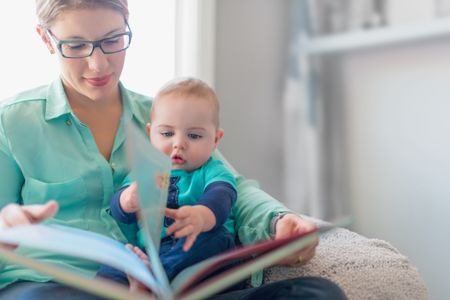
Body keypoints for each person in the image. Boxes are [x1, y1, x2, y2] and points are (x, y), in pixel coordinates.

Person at [0, 1, 346, 299]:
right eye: (76, 46)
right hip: (58, 285)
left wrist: (279, 221)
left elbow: (233, 188)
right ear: (46, 39)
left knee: (317, 294)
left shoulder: (167, 118)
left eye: (113, 40)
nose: (99, 64)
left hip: (172, 281)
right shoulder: (12, 123)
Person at [97, 77, 238, 283]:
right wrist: (127, 200)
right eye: (167, 133)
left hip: (200, 244)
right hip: (154, 251)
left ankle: (150, 280)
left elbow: (222, 197)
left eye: (194, 136)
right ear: (150, 134)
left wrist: (201, 216)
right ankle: (144, 280)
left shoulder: (213, 171)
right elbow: (120, 212)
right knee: (114, 262)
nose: (178, 144)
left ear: (216, 139)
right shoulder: (144, 172)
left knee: (217, 238)